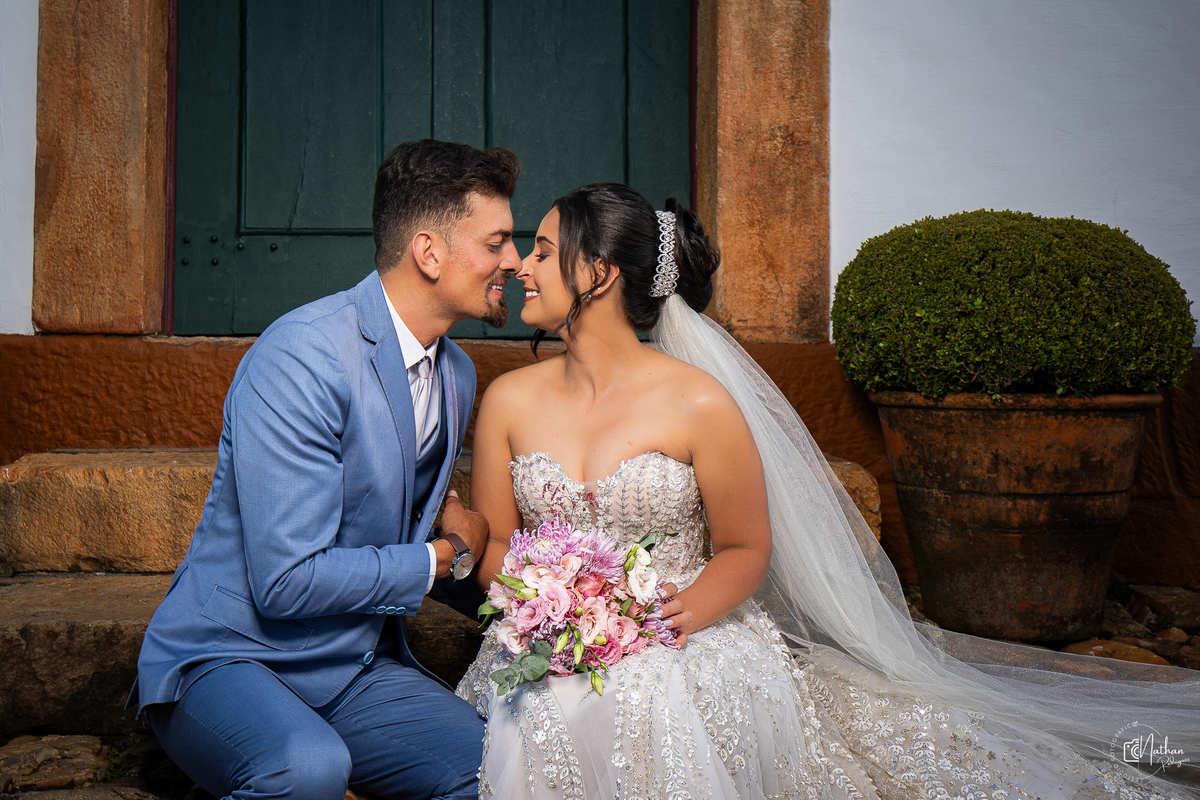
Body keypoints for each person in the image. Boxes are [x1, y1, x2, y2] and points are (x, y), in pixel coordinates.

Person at [456, 182, 1200, 799]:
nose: (522, 266)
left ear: (600, 273)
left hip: (685, 628)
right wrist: (555, 611)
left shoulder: (700, 403)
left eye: (543, 251)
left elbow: (745, 548)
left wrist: (663, 622)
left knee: (648, 702)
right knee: (544, 707)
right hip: (544, 635)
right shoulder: (510, 401)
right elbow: (495, 547)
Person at [133, 139, 521, 800]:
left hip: (352, 667)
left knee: (501, 769)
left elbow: (402, 520)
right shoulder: (302, 356)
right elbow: (285, 582)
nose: (513, 260)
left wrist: (555, 609)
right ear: (429, 253)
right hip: (230, 655)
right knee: (308, 769)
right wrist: (445, 554)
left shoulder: (455, 373)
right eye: (497, 242)